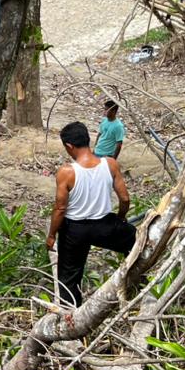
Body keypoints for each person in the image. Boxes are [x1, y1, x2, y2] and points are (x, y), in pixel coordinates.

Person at [45, 122, 136, 307]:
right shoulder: (110, 164)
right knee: (137, 240)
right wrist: (120, 219)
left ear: (69, 146)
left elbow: (60, 208)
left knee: (69, 277)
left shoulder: (67, 172)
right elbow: (125, 199)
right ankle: (135, 283)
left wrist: (52, 235)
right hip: (104, 225)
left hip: (74, 229)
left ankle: (70, 315)